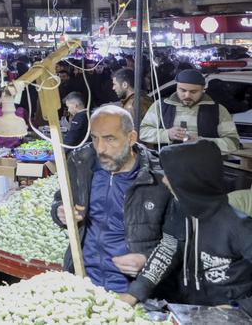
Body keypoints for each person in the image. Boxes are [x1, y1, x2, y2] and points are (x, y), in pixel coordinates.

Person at [120, 140, 252, 313]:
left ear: (190, 180)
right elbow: (168, 250)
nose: (164, 180)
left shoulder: (239, 227)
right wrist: (134, 293)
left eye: (170, 175)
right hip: (189, 311)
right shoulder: (180, 210)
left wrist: (240, 308)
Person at [52, 105, 171, 295]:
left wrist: (146, 259)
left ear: (131, 138)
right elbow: (61, 199)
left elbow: (178, 242)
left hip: (132, 290)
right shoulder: (81, 162)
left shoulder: (159, 179)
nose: (100, 148)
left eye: (109, 139)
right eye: (95, 138)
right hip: (84, 282)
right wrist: (60, 211)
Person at [139, 69, 240, 151]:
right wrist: (167, 134)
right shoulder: (160, 106)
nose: (187, 95)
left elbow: (233, 142)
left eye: (193, 92)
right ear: (177, 88)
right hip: (167, 168)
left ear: (203, 90)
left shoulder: (218, 110)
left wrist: (201, 142)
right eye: (182, 90)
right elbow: (143, 132)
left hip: (204, 170)